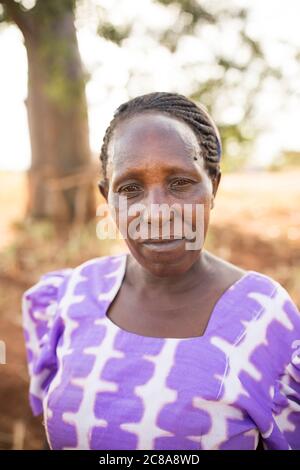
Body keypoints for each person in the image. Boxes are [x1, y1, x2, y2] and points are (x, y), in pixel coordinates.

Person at [22, 92, 300, 450]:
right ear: (108, 197)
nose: (156, 212)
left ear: (213, 186)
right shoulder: (74, 294)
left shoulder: (264, 316)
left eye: (180, 183)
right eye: (130, 188)